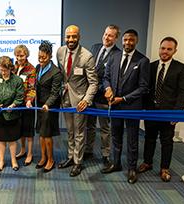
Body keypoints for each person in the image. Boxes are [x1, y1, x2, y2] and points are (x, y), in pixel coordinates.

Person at [138, 37, 184, 182]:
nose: (165, 51)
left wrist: (177, 113)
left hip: (169, 112)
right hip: (151, 111)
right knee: (149, 138)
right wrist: (142, 108)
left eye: (169, 49)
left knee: (167, 141)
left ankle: (164, 168)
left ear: (175, 50)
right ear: (159, 48)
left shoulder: (181, 68)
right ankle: (147, 162)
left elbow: (182, 93)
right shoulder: (151, 66)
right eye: (163, 48)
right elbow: (145, 89)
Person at [102, 29, 150, 184]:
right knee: (115, 136)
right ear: (121, 41)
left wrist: (122, 99)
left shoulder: (142, 61)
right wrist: (108, 88)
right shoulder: (114, 57)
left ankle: (131, 169)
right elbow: (106, 77)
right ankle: (116, 164)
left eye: (131, 40)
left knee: (132, 140)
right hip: (114, 107)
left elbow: (143, 87)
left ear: (136, 41)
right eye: (125, 40)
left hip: (131, 107)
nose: (128, 42)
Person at [56, 25, 98, 177]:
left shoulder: (87, 56)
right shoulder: (60, 52)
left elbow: (93, 82)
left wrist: (86, 100)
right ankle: (70, 157)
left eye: (74, 36)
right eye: (68, 36)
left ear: (79, 37)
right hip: (65, 97)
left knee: (79, 132)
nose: (70, 39)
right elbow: (62, 75)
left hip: (80, 101)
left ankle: (77, 162)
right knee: (70, 131)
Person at [85, 25, 121, 168]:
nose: (107, 37)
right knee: (89, 126)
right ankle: (88, 150)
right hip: (90, 96)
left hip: (104, 97)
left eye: (110, 35)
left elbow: (113, 78)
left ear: (116, 38)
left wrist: (100, 88)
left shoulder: (118, 54)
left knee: (105, 128)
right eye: (105, 34)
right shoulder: (94, 47)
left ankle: (106, 155)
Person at [0, 56, 24, 172]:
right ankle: (1, 161)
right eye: (1, 70)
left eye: (5, 70)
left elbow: (20, 97)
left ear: (10, 68)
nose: (3, 72)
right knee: (0, 139)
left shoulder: (17, 80)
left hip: (12, 114)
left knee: (12, 139)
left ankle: (13, 160)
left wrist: (12, 106)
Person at [35, 40, 63, 173]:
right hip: (39, 105)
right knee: (41, 133)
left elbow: (55, 93)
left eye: (44, 57)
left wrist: (47, 104)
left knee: (47, 134)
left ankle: (51, 160)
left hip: (49, 106)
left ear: (50, 56)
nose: (41, 60)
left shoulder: (56, 72)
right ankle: (43, 157)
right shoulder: (37, 67)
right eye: (39, 57)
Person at [13, 45, 37, 166]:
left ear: (26, 55)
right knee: (20, 129)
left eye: (21, 55)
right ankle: (22, 150)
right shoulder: (14, 67)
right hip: (16, 103)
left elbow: (32, 88)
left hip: (27, 104)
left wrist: (29, 100)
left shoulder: (31, 69)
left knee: (28, 130)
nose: (19, 58)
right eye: (17, 55)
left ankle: (29, 154)